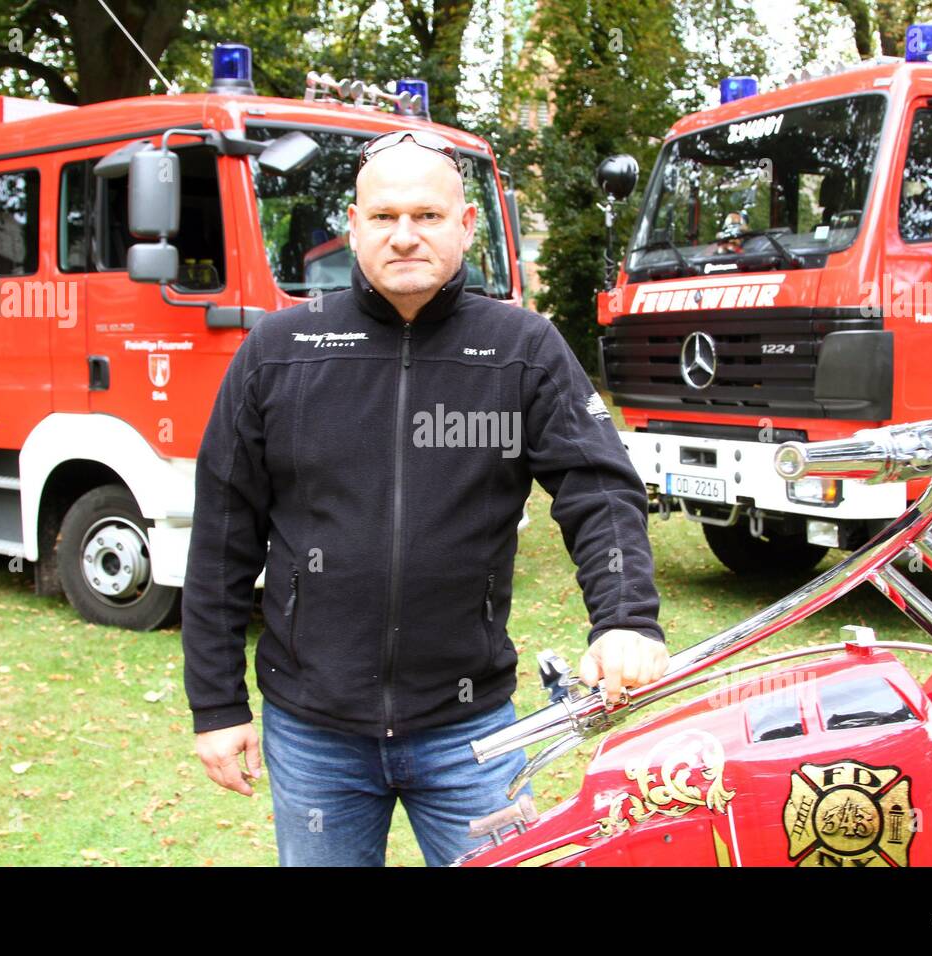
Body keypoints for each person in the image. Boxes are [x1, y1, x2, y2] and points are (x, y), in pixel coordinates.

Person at [181, 129, 668, 867]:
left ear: (466, 224)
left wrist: (626, 617)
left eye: (428, 216)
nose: (405, 236)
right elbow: (223, 532)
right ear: (353, 224)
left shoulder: (522, 348)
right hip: (313, 732)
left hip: (470, 731)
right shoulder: (279, 351)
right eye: (384, 218)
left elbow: (596, 487)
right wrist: (216, 705)